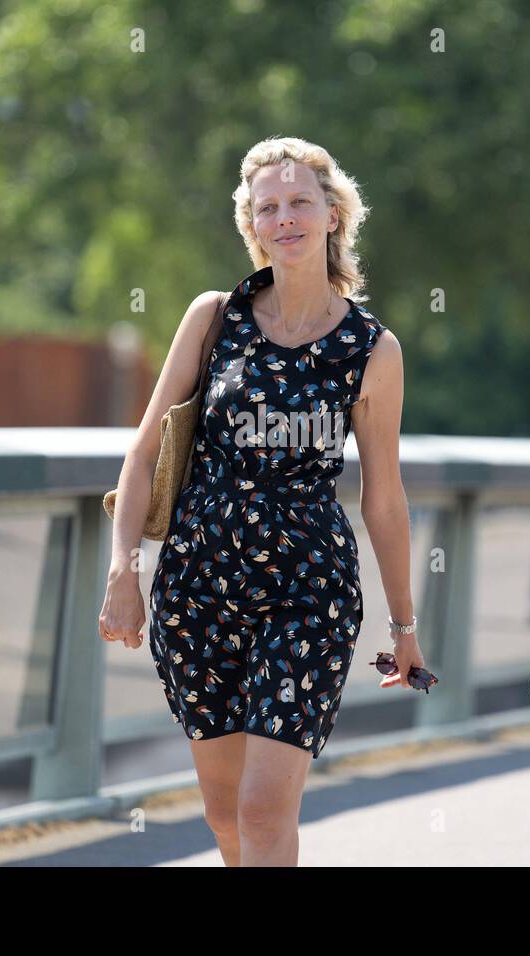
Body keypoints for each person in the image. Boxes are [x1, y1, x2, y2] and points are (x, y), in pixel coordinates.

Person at [98, 137, 421, 866]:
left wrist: (403, 623)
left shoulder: (373, 349)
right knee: (223, 815)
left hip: (308, 593)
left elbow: (385, 498)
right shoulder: (216, 318)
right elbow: (145, 451)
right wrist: (125, 568)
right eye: (268, 207)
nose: (286, 218)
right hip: (197, 586)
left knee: (263, 809)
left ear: (333, 214)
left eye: (301, 202)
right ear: (252, 225)